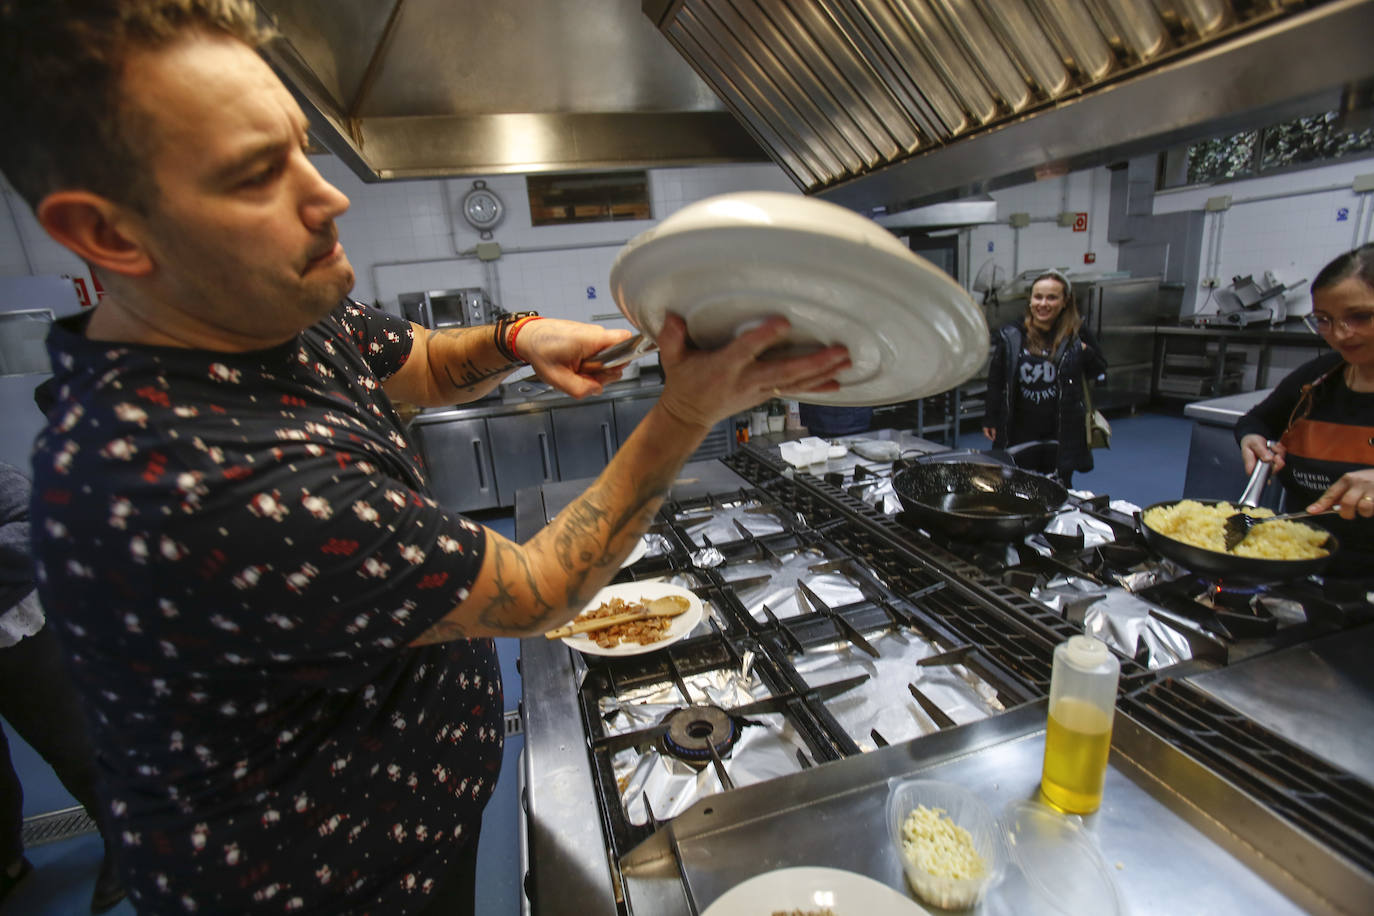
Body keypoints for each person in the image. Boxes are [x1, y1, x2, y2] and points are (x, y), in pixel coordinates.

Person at [0, 2, 851, 914]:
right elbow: (536, 593)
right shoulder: (190, 478)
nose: (329, 197)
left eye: (300, 148)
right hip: (335, 885)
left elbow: (419, 360)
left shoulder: (260, 309)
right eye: (256, 174)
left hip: (408, 829)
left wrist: (520, 336)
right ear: (110, 235)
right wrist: (688, 409)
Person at [0, 461, 125, 913]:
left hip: (16, 630)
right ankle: (7, 862)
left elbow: (37, 526)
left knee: (75, 746)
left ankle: (124, 842)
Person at [1235, 244, 1374, 573]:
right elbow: (1257, 420)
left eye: (1360, 317)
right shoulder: (1320, 378)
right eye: (1324, 320)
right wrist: (1252, 438)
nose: (1340, 334)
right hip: (1301, 563)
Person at [982, 269, 1107, 487]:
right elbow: (996, 379)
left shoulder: (1077, 333)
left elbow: (1100, 372)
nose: (1043, 303)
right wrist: (991, 417)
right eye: (1038, 297)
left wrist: (1085, 352)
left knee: (1056, 490)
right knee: (1013, 486)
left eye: (1052, 297)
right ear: (1030, 300)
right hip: (1019, 429)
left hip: (1060, 430)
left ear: (1065, 301)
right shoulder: (1013, 335)